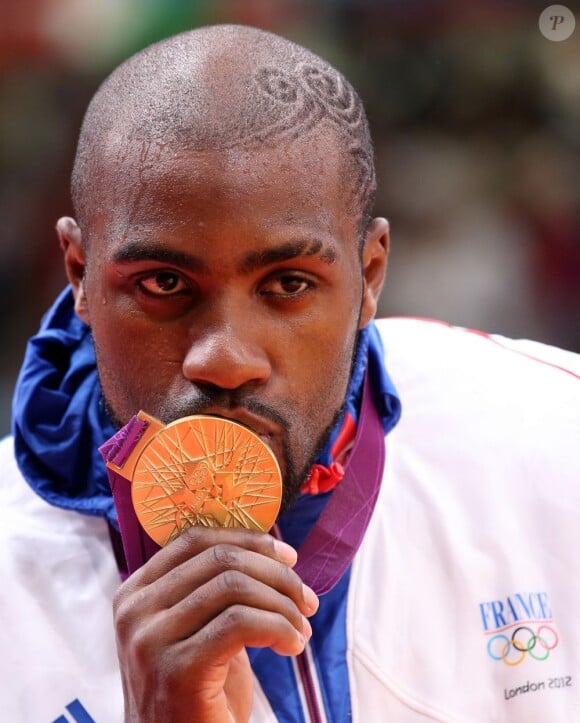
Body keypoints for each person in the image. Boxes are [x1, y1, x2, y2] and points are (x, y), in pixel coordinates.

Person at [2, 23, 579, 723]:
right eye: (162, 282)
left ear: (370, 275)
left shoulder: (556, 446)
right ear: (80, 275)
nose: (224, 356)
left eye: (288, 284)